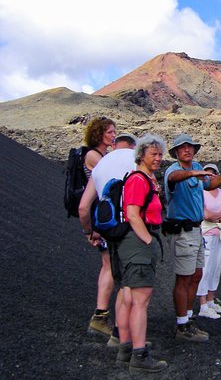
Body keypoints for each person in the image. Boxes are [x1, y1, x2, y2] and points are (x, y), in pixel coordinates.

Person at [163, 134, 221, 342]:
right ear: (176, 152)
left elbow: (208, 184)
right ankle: (182, 325)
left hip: (197, 230)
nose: (187, 150)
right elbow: (173, 179)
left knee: (196, 275)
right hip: (182, 230)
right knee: (184, 277)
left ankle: (188, 318)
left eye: (190, 147)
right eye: (182, 147)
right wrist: (191, 173)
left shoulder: (197, 167)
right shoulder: (174, 170)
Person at [79, 133, 137, 344]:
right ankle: (122, 335)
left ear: (114, 145)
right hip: (131, 230)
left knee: (109, 269)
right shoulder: (137, 161)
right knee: (129, 282)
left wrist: (89, 232)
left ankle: (100, 316)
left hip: (106, 228)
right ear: (134, 146)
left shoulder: (102, 164)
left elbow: (83, 207)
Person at [116, 133, 167, 373]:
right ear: (141, 155)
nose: (158, 158)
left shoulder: (147, 178)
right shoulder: (138, 180)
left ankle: (126, 349)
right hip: (138, 243)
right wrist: (148, 241)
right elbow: (133, 213)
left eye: (160, 154)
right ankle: (139, 356)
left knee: (129, 298)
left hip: (134, 244)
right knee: (140, 302)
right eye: (153, 154)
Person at [80, 117, 117, 336]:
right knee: (109, 265)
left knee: (109, 264)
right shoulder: (94, 156)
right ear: (99, 134)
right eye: (110, 132)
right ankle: (100, 316)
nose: (113, 136)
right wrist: (89, 230)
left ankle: (102, 315)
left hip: (100, 216)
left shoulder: (101, 156)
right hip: (99, 217)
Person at [196, 163, 221, 319]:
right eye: (206, 174)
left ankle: (211, 300)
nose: (209, 176)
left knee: (215, 268)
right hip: (206, 233)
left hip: (220, 233)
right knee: (205, 269)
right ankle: (202, 304)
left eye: (213, 174)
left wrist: (218, 218)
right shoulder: (200, 192)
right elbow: (206, 216)